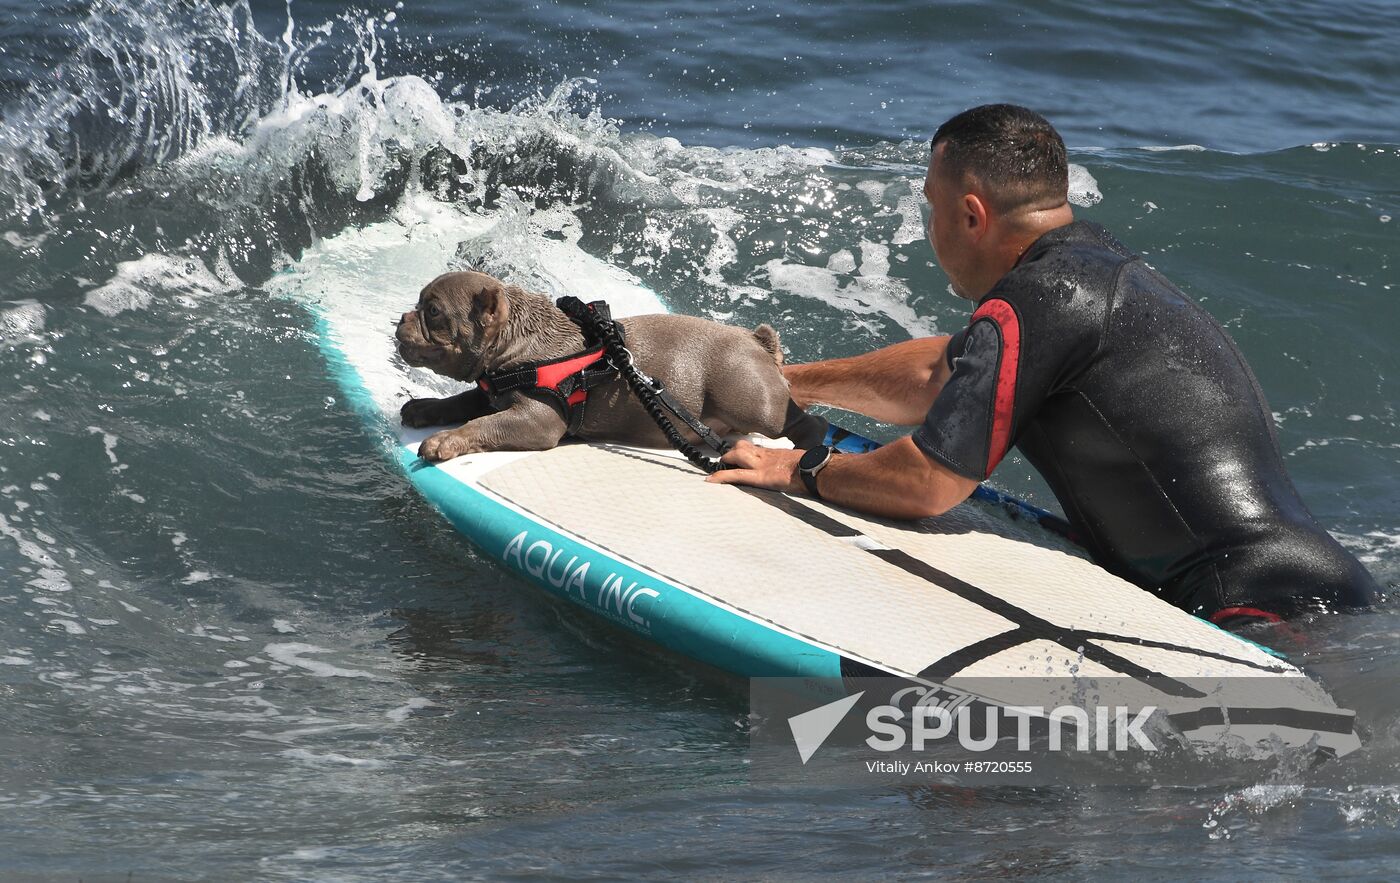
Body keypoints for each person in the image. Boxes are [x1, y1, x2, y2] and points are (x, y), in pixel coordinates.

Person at [709, 103, 1379, 627]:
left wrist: (797, 467)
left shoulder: (1038, 300)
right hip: (1316, 588)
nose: (930, 228)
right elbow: (936, 376)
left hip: (1255, 608)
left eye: (932, 208)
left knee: (965, 787)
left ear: (971, 215)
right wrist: (782, 381)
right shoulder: (1090, 272)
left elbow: (929, 484)